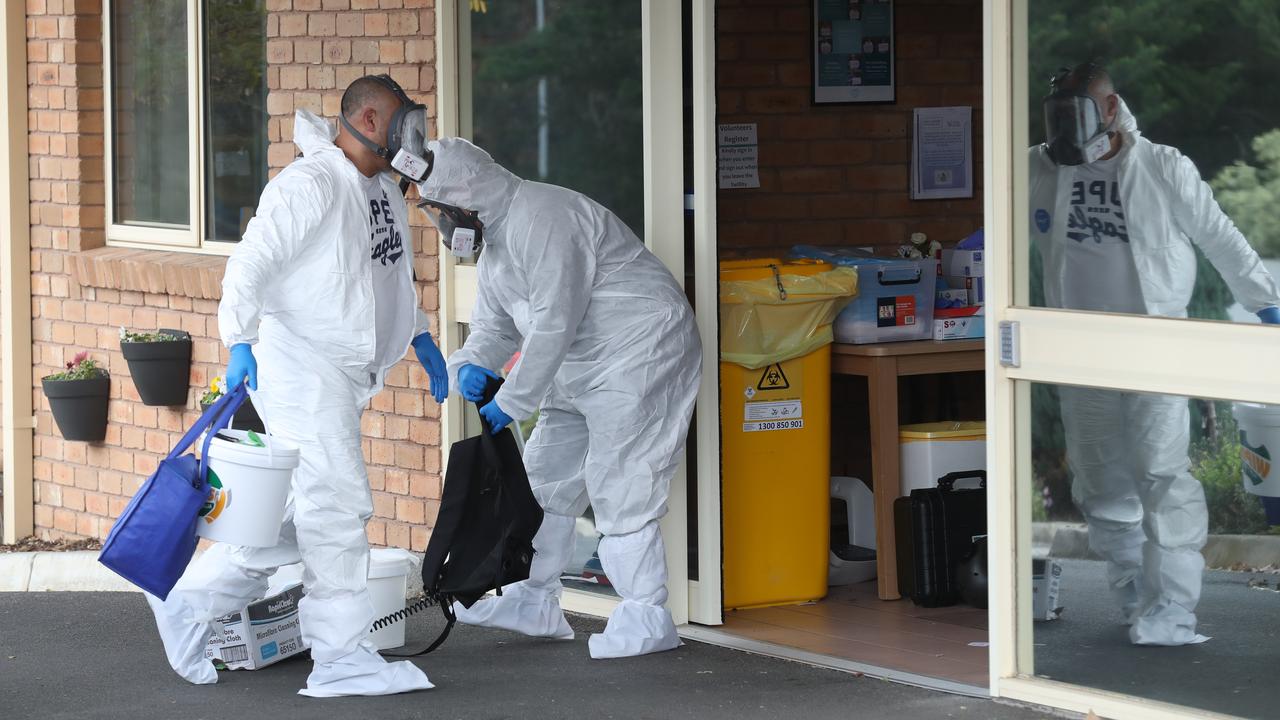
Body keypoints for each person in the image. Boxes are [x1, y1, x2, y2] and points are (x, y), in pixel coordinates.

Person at [146, 75, 448, 696]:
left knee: (282, 521)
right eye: (402, 119)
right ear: (367, 117)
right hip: (303, 369)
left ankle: (188, 601)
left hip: (341, 374)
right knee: (336, 506)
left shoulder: (381, 190)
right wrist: (238, 340)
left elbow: (387, 274)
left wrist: (416, 334)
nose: (412, 133)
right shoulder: (309, 185)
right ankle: (340, 657)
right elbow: (251, 262)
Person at [417, 138, 702, 659]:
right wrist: (468, 367)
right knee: (544, 477)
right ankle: (536, 599)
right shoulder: (498, 246)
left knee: (621, 478)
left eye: (441, 211)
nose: (442, 225)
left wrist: (513, 401)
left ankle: (646, 612)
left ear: (467, 199)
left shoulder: (543, 215)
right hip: (578, 361)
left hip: (639, 349)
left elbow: (554, 320)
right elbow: (494, 328)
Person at [1030, 62, 1280, 646]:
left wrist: (1267, 305)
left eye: (1079, 113)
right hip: (1076, 349)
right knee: (1099, 481)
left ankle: (1172, 611)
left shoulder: (1162, 167)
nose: (1066, 127)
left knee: (1161, 475)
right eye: (1058, 114)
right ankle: (1133, 602)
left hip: (1154, 345)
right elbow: (992, 228)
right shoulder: (1036, 168)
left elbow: (1219, 235)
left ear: (1110, 108)